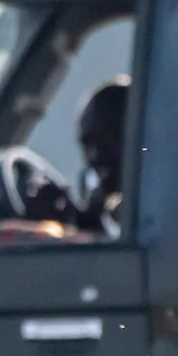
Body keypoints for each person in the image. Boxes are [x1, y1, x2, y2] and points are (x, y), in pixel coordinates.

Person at [72, 76, 129, 237]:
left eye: (107, 139)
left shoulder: (166, 204)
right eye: (87, 145)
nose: (95, 156)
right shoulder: (100, 200)